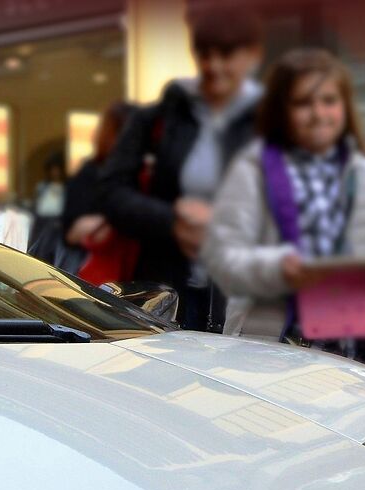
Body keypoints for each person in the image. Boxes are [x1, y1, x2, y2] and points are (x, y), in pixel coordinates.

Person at [207, 48, 365, 365]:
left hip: (354, 348)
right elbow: (223, 257)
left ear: (345, 106)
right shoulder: (251, 172)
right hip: (269, 345)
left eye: (328, 100)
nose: (318, 113)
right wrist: (277, 267)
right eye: (302, 103)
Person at [99, 11, 264, 330]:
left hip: (244, 297)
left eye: (227, 53)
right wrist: (172, 219)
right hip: (165, 296)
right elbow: (111, 192)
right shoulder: (159, 117)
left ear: (252, 55)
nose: (214, 65)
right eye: (205, 53)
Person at [55, 101, 139, 282]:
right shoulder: (91, 174)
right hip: (99, 282)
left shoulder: (143, 174)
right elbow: (71, 233)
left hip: (139, 280)